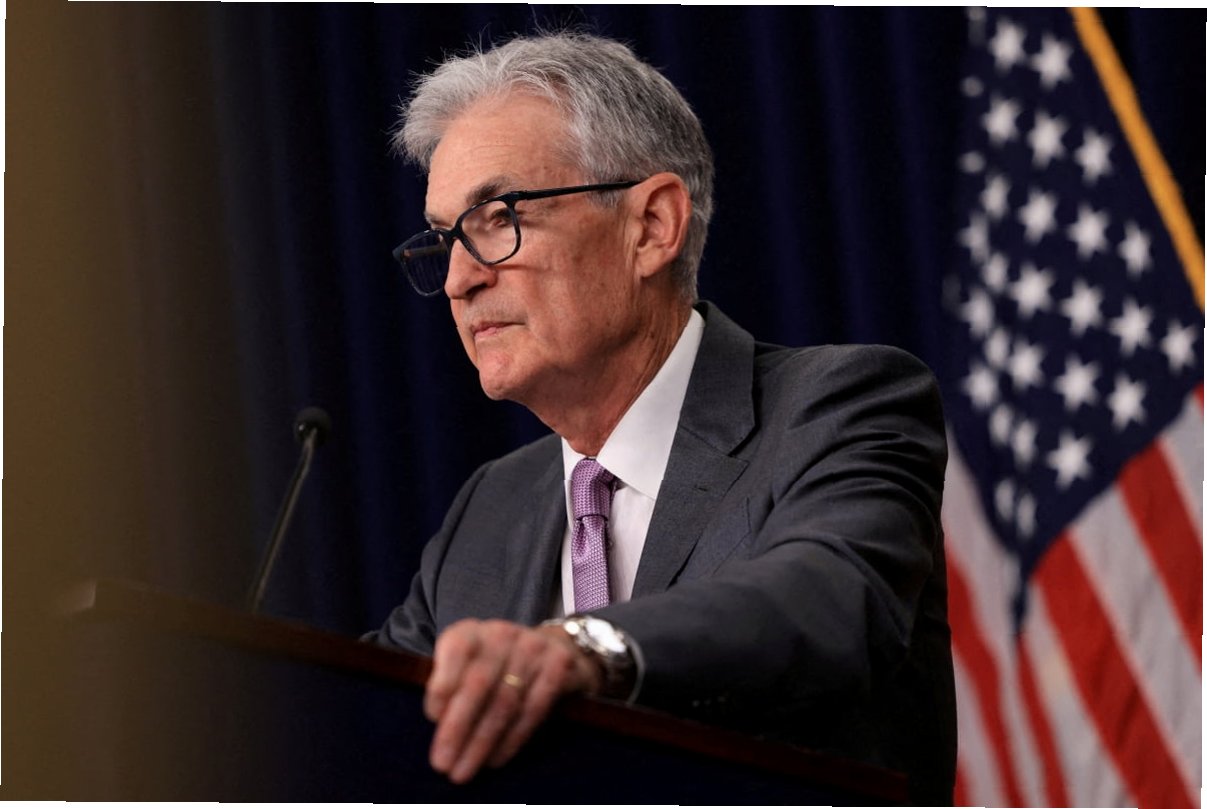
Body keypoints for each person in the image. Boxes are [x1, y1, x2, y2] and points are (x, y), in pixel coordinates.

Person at [366, 31, 956, 804]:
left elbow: (828, 598)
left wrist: (586, 647)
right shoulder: (489, 508)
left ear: (650, 226)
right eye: (446, 239)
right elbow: (366, 718)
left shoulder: (841, 405)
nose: (457, 280)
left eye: (496, 218)